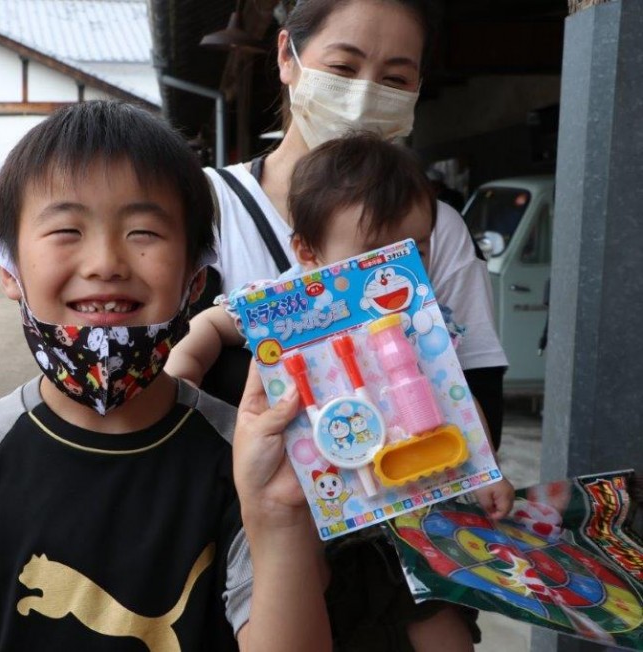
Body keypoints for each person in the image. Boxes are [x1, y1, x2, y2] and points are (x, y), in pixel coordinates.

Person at [0, 101, 331, 651]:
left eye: (144, 231)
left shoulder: (248, 460)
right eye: (66, 229)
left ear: (195, 278)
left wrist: (277, 517)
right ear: (9, 269)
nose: (105, 261)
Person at [179, 132, 515, 652]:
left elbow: (457, 398)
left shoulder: (424, 317)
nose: (394, 271)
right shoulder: (285, 307)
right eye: (374, 254)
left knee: (441, 627)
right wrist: (183, 375)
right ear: (307, 252)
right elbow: (214, 324)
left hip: (410, 498)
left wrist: (484, 467)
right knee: (305, 592)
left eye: (413, 250)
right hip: (318, 503)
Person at [201, 0, 509, 453]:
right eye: (343, 67)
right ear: (287, 56)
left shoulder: (437, 227)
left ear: (417, 88)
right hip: (236, 514)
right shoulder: (207, 205)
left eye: (395, 79)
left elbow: (479, 407)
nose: (365, 96)